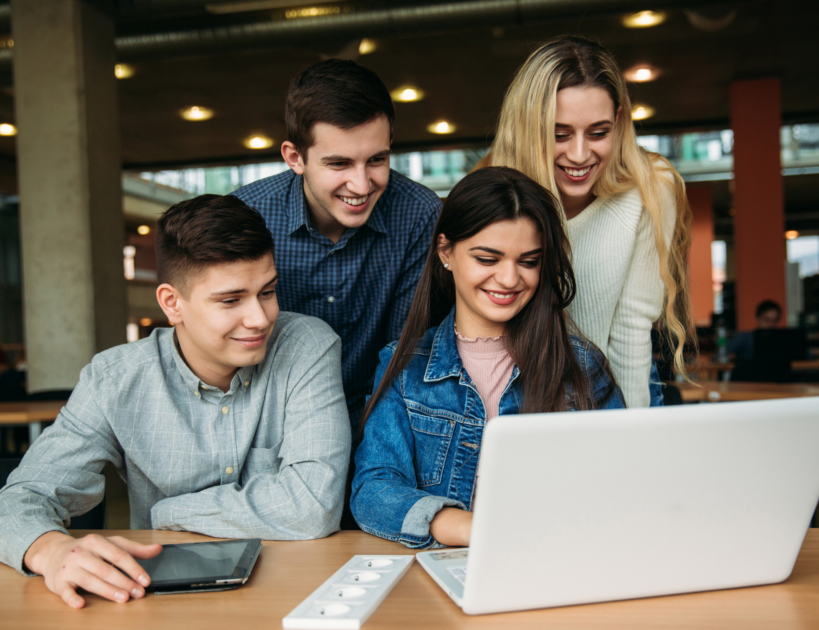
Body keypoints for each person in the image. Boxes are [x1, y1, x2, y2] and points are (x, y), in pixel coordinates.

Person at [0, 195, 351, 609]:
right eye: (231, 300)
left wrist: (169, 511)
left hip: (292, 589)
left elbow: (313, 507)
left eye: (268, 291)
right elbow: (16, 503)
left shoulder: (306, 346)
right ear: (172, 303)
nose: (261, 318)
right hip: (157, 602)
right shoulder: (114, 379)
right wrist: (49, 550)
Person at [351, 167, 625, 549]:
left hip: (561, 562)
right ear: (445, 251)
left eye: (528, 261)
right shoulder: (404, 366)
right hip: (449, 569)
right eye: (487, 258)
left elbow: (622, 485)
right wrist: (469, 528)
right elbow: (373, 490)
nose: (510, 279)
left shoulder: (582, 367)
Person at [477, 36, 695, 408]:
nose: (579, 155)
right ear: (530, 127)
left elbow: (631, 334)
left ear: (619, 121)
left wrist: (627, 440)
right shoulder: (498, 191)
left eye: (599, 132)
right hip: (521, 394)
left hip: (620, 392)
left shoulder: (651, 186)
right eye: (559, 134)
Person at [231, 59, 442, 424]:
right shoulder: (245, 215)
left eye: (377, 159)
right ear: (295, 157)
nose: (362, 185)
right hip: (268, 424)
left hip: (379, 419)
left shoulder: (420, 214)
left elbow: (406, 353)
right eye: (339, 164)